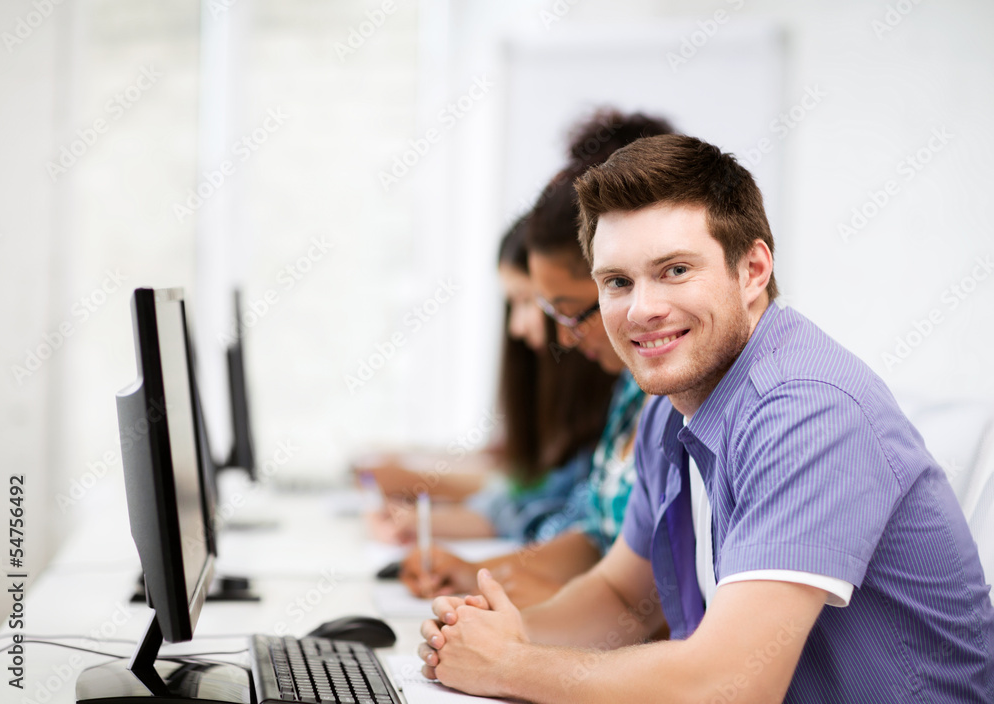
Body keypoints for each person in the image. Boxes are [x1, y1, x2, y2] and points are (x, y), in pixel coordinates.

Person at [416, 134, 994, 702]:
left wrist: (512, 667)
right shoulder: (669, 410)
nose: (642, 309)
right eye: (618, 282)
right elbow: (619, 596)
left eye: (674, 271)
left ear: (753, 270)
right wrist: (498, 636)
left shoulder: (809, 409)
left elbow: (733, 684)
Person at [400, 109, 676, 607]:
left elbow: (652, 607)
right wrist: (485, 581)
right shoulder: (633, 390)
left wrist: (514, 629)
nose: (558, 337)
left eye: (561, 311)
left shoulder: (696, 398)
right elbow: (598, 542)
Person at [366, 213, 616, 544]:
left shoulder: (618, 399)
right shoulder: (574, 403)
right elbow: (525, 489)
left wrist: (423, 498)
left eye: (527, 301)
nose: (517, 327)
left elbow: (559, 519)